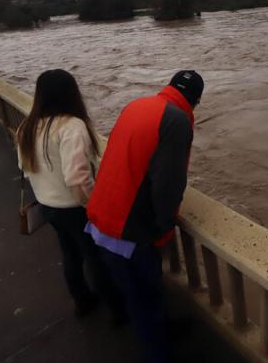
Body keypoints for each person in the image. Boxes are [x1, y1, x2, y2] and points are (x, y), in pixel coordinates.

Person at [86, 70, 204, 363]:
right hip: (128, 231)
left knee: (138, 296)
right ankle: (160, 355)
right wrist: (163, 229)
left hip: (101, 215)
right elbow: (168, 184)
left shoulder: (137, 105)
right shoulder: (177, 121)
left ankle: (163, 331)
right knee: (144, 301)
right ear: (197, 101)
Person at [16, 69, 125, 323]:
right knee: (95, 258)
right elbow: (77, 178)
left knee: (69, 253)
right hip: (76, 208)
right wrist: (94, 206)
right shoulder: (72, 127)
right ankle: (117, 311)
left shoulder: (27, 126)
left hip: (47, 205)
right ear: (71, 93)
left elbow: (25, 167)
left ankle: (82, 300)